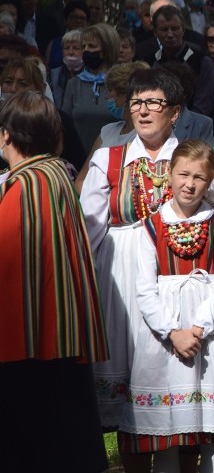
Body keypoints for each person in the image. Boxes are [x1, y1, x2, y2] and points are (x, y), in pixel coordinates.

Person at [80, 67, 214, 472]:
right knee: (130, 385)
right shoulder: (109, 160)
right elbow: (88, 230)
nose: (143, 111)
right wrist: (84, 284)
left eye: (154, 103)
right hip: (121, 280)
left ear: (175, 112)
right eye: (137, 102)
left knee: (180, 374)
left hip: (179, 276)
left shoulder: (195, 160)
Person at [121, 140, 214, 473]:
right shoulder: (152, 226)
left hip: (213, 336)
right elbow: (145, 290)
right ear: (170, 176)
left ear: (210, 182)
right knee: (166, 429)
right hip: (164, 336)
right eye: (183, 174)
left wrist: (198, 328)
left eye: (199, 177)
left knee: (211, 430)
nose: (189, 184)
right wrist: (173, 332)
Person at [0, 91, 109, 473]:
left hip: (31, 343)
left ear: (6, 137)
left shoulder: (28, 185)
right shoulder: (54, 174)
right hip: (57, 334)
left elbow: (9, 264)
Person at [2, 57, 87, 172]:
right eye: (8, 82)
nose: (13, 88)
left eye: (23, 83)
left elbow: (78, 162)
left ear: (40, 88)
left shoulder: (57, 119)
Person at [62, 22, 121, 153]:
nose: (86, 50)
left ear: (107, 49)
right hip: (80, 157)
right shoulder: (73, 84)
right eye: (83, 46)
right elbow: (65, 125)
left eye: (92, 46)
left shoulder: (121, 83)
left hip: (114, 156)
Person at [48, 28, 84, 108]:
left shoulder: (91, 75)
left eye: (76, 48)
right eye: (66, 48)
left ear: (84, 50)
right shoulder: (54, 75)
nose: (70, 52)